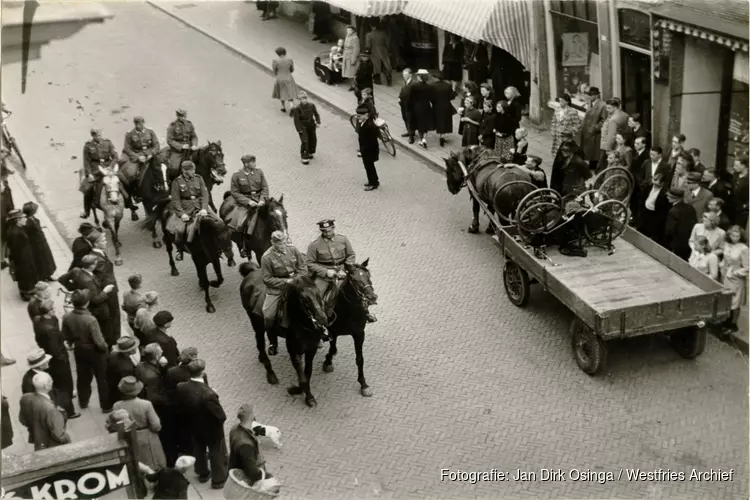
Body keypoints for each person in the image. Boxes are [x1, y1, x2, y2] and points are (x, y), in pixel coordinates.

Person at [307, 219, 376, 323]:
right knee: (317, 296)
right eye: (324, 231)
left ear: (333, 228)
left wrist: (344, 268)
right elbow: (310, 263)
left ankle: (366, 312)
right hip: (324, 275)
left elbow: (351, 255)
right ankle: (318, 321)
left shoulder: (343, 240)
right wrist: (326, 272)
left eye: (329, 230)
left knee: (359, 287)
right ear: (321, 231)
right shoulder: (314, 245)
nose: (327, 233)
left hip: (343, 271)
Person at [176, 358, 229, 489]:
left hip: (194, 425)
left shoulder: (181, 387)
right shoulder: (209, 394)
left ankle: (202, 472)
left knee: (199, 449)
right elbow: (221, 416)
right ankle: (218, 480)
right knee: (216, 452)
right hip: (211, 429)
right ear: (202, 371)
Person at [61, 289, 110, 413]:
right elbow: (99, 342)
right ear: (87, 303)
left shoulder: (67, 316)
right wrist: (106, 349)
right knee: (102, 378)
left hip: (79, 350)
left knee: (82, 377)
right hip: (95, 352)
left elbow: (66, 335)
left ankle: (83, 401)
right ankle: (106, 405)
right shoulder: (90, 320)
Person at [33, 301, 79, 419]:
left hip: (49, 355)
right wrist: (62, 357)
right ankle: (69, 411)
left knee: (59, 383)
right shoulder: (50, 329)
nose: (55, 310)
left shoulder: (38, 320)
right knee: (65, 384)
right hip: (58, 360)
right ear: (49, 312)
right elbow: (55, 348)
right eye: (53, 308)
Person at [113, 376, 167, 470]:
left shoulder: (117, 405)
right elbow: (156, 425)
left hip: (128, 437)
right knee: (154, 464)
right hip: (147, 437)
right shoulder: (146, 404)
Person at [135, 342, 176, 466]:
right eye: (160, 351)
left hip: (153, 402)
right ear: (156, 356)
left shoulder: (140, 366)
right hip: (159, 407)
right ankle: (170, 460)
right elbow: (154, 395)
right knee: (166, 434)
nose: (163, 352)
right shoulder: (152, 376)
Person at [261, 231, 308, 333]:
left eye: (284, 242)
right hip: (279, 288)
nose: (282, 246)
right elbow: (267, 278)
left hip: (298, 282)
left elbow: (303, 266)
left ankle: (320, 330)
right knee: (269, 315)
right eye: (279, 243)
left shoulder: (293, 249)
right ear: (272, 243)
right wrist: (286, 282)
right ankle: (271, 336)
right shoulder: (267, 257)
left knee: (315, 302)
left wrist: (297, 279)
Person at [166, 346, 208, 457]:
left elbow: (170, 389)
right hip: (195, 406)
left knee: (184, 426)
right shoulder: (198, 373)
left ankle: (186, 447)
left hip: (179, 405)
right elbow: (204, 389)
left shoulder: (172, 371)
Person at [168, 161, 214, 255]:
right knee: (180, 230)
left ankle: (220, 246)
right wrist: (182, 214)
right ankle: (180, 250)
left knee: (218, 222)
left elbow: (205, 194)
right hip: (186, 208)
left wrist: (204, 208)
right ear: (184, 171)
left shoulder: (199, 178)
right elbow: (175, 200)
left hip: (200, 205)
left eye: (193, 169)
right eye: (191, 170)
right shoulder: (177, 182)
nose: (193, 171)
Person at [229, 404, 278, 488]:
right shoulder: (245, 445)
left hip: (236, 467)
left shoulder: (235, 428)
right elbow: (251, 472)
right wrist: (265, 476)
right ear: (252, 416)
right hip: (245, 480)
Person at [19, 372, 71, 451]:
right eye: (50, 381)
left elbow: (22, 420)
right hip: (52, 445)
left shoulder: (25, 398)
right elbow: (59, 434)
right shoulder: (50, 409)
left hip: (38, 441)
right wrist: (67, 439)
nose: (52, 382)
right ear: (46, 386)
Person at [227, 155, 270, 245]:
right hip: (245, 201)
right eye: (252, 162)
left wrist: (262, 200)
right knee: (240, 224)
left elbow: (264, 187)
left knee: (275, 215)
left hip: (260, 199)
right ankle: (243, 243)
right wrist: (248, 202)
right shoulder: (237, 175)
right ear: (246, 164)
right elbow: (235, 192)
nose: (255, 164)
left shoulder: (259, 172)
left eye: (254, 162)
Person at [89, 231, 122, 344]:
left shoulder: (100, 254)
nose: (106, 241)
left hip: (109, 288)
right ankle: (115, 339)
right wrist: (110, 288)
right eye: (103, 240)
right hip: (109, 291)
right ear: (96, 244)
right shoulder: (99, 259)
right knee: (114, 315)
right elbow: (103, 277)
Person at [80, 128, 118, 219]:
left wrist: (111, 166)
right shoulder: (88, 146)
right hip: (95, 169)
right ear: (93, 136)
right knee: (87, 188)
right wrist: (89, 174)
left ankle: (129, 203)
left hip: (108, 167)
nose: (99, 137)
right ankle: (86, 210)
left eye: (100, 135)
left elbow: (115, 157)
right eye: (97, 135)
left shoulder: (108, 142)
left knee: (122, 180)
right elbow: (86, 162)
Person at [120, 116, 160, 195]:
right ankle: (133, 192)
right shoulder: (130, 134)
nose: (138, 126)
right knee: (131, 174)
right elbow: (127, 148)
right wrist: (138, 157)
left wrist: (152, 153)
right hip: (137, 155)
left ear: (143, 123)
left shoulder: (150, 132)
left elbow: (156, 145)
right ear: (134, 124)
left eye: (140, 124)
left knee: (161, 167)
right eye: (136, 124)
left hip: (150, 154)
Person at [720, 225, 748, 334]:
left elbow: (747, 267)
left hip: (736, 279)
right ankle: (726, 321)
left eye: (737, 236)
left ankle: (733, 324)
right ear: (729, 235)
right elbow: (725, 259)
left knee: (735, 302)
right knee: (727, 299)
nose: (735, 238)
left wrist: (735, 272)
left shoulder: (744, 249)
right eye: (733, 235)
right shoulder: (726, 244)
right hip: (725, 276)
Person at [6, 209, 39, 300]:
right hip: (22, 259)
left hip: (25, 256)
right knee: (25, 275)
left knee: (28, 274)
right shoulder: (15, 233)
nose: (25, 219)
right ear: (17, 220)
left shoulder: (17, 228)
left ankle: (29, 289)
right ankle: (25, 293)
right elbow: (16, 250)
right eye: (23, 218)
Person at [22, 202, 56, 282]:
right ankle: (42, 276)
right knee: (40, 261)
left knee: (47, 260)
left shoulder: (33, 219)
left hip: (42, 243)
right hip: (36, 245)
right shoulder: (27, 223)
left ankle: (48, 274)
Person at [664, 187, 698, 261]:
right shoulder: (690, 207)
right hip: (689, 242)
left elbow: (670, 231)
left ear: (675, 198)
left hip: (677, 244)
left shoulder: (673, 211)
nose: (667, 197)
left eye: (669, 196)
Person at [107, 336, 142, 405]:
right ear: (130, 350)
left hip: (112, 386)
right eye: (135, 347)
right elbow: (128, 383)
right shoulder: (126, 368)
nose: (136, 348)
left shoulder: (113, 354)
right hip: (121, 395)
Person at [291, 92, 321, 165]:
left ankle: (311, 152)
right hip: (303, 126)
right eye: (302, 99)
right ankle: (304, 157)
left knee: (313, 139)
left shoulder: (311, 105)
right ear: (300, 100)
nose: (304, 100)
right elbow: (296, 120)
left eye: (305, 98)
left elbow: (316, 114)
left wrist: (318, 121)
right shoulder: (297, 109)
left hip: (311, 124)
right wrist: (299, 129)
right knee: (305, 141)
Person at [165, 109, 198, 175]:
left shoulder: (189, 124)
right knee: (174, 168)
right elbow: (169, 140)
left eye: (184, 116)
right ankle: (172, 181)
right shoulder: (173, 126)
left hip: (190, 149)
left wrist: (194, 145)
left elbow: (194, 136)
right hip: (178, 151)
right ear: (177, 116)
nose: (183, 118)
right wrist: (181, 146)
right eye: (181, 116)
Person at [581, 87, 607, 170]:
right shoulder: (590, 103)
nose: (589, 96)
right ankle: (591, 163)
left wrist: (596, 127)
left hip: (595, 132)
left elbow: (604, 120)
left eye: (591, 95)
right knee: (589, 149)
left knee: (595, 150)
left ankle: (595, 164)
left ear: (597, 95)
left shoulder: (602, 105)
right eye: (589, 95)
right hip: (587, 131)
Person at [599, 98, 629, 169]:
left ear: (615, 107)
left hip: (611, 146)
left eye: (609, 108)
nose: (607, 109)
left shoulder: (613, 119)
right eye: (606, 107)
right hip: (621, 144)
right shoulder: (625, 114)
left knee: (605, 166)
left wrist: (608, 149)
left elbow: (611, 136)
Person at [357, 104, 382, 190]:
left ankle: (373, 183)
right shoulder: (364, 123)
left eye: (360, 116)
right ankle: (373, 180)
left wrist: (363, 150)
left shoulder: (369, 125)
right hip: (365, 149)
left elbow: (371, 140)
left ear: (366, 115)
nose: (358, 117)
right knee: (368, 166)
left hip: (369, 150)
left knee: (369, 166)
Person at [429, 71, 456, 147]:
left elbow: (431, 97)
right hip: (446, 105)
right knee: (445, 121)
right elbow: (451, 97)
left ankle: (441, 136)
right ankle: (442, 136)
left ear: (436, 78)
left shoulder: (432, 86)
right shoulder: (448, 85)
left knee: (439, 121)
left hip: (437, 106)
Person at [409, 69, 434, 148]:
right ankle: (424, 139)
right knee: (425, 122)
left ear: (420, 77)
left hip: (417, 106)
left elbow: (410, 97)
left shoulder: (414, 86)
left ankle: (421, 139)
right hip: (426, 106)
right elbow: (431, 97)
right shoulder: (428, 86)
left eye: (418, 75)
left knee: (419, 123)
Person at [271, 47, 297, 114]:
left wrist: (278, 73)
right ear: (285, 52)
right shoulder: (289, 60)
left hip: (280, 78)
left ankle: (283, 107)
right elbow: (292, 70)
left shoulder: (275, 61)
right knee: (289, 91)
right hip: (288, 77)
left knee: (281, 92)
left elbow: (274, 71)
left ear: (278, 54)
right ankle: (291, 105)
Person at [365, 22, 392, 86]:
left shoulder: (369, 35)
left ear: (371, 26)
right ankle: (388, 77)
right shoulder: (383, 33)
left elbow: (368, 46)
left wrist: (367, 52)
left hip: (374, 52)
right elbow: (388, 43)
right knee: (385, 64)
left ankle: (377, 80)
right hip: (383, 50)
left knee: (376, 66)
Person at [730, 155, 749, 228]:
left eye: (736, 166)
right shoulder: (735, 174)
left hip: (742, 209)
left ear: (744, 165)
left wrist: (746, 205)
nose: (734, 167)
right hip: (733, 207)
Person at [342, 26, 360, 91]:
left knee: (353, 72)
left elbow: (356, 49)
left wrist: (353, 59)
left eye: (350, 30)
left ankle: (355, 85)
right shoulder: (348, 36)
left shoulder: (355, 38)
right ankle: (353, 85)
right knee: (349, 72)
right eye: (347, 30)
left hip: (351, 56)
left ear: (353, 31)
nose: (348, 32)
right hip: (347, 56)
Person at [398, 68, 414, 138]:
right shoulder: (404, 82)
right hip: (403, 104)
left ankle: (411, 135)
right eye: (403, 74)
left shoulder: (413, 84)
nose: (404, 76)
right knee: (405, 117)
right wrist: (399, 97)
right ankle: (408, 131)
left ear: (410, 75)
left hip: (410, 105)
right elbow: (402, 91)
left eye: (405, 75)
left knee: (410, 119)